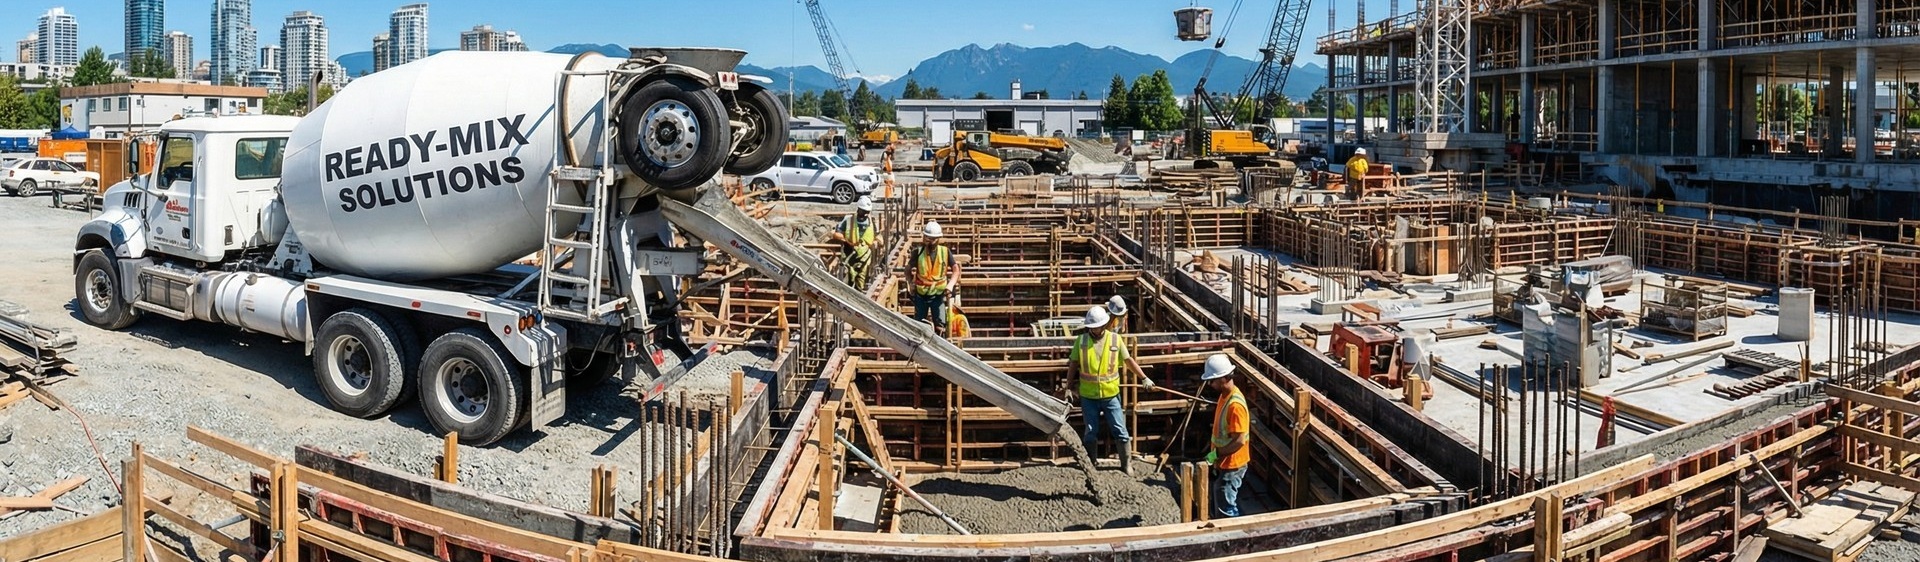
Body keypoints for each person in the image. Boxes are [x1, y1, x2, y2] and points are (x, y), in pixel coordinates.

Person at [1070, 306, 1144, 472]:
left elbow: (1128, 360)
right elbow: (1073, 364)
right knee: (1090, 431)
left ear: (1103, 325)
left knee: (1120, 430)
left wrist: (1144, 378)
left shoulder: (1115, 340)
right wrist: (1068, 387)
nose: (1094, 329)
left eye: (1097, 326)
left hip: (1110, 394)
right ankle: (1090, 464)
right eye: (1092, 327)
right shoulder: (1081, 341)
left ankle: (1126, 464)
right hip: (1088, 396)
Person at [1202, 353, 1249, 517]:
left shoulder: (1235, 405)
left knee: (1226, 504)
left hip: (1233, 464)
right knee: (1220, 494)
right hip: (1225, 462)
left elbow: (1239, 441)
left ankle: (1230, 536)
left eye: (1212, 380)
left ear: (1223, 378)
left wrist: (1217, 453)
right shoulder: (1225, 396)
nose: (1210, 384)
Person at [910, 221, 958, 334]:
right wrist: (910, 283)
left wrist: (950, 286)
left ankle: (941, 343)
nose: (931, 241)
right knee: (919, 324)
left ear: (939, 239)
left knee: (940, 324)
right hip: (921, 294)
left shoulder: (945, 251)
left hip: (938, 294)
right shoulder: (917, 252)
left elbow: (956, 270)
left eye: (934, 239)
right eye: (928, 238)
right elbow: (908, 269)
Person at [829, 197, 877, 289]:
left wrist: (878, 242)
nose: (865, 214)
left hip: (864, 257)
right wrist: (847, 241)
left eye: (867, 212)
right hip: (849, 255)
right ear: (858, 209)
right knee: (848, 279)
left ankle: (859, 294)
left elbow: (877, 236)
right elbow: (836, 234)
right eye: (863, 211)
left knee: (861, 279)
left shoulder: (871, 222)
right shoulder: (848, 220)